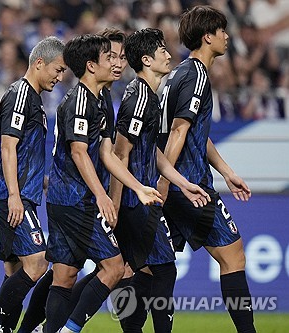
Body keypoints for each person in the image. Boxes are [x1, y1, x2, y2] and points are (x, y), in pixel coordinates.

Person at [44, 34, 163, 333]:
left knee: (65, 276)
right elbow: (78, 151)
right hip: (74, 199)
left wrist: (136, 186)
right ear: (91, 65)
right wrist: (101, 195)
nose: (116, 61)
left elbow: (108, 154)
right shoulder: (79, 100)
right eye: (108, 57)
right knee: (113, 267)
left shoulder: (102, 99)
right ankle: (70, 329)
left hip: (69, 199)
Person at [157, 6, 256, 333]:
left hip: (175, 183)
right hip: (190, 187)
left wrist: (227, 171)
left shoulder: (177, 74)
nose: (227, 36)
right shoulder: (197, 75)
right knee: (234, 256)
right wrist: (167, 181)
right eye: (221, 30)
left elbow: (195, 131)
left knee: (145, 268)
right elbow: (178, 131)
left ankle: (63, 319)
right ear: (207, 37)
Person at [111, 28, 210, 333]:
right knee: (161, 268)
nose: (169, 54)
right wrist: (117, 201)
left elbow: (152, 152)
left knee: (128, 270)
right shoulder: (139, 97)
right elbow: (119, 152)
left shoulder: (149, 98)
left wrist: (181, 182)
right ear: (146, 59)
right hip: (134, 200)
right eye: (162, 50)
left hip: (140, 196)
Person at [0, 36, 67, 333]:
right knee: (39, 262)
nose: (60, 76)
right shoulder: (20, 96)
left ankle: (2, 329)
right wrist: (15, 194)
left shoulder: (33, 99)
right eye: (57, 69)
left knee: (14, 269)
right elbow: (7, 146)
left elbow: (24, 151)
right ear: (39, 63)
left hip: (19, 192)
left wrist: (42, 180)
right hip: (10, 195)